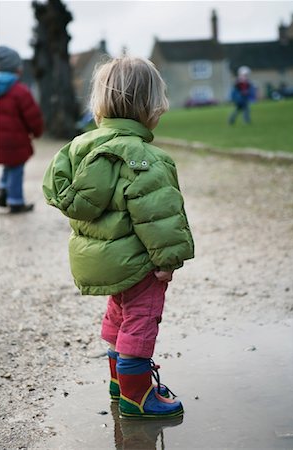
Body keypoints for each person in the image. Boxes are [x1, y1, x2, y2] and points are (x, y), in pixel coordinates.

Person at [42, 57, 194, 419]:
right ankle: (137, 396)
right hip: (137, 261)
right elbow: (156, 213)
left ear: (100, 104)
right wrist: (167, 260)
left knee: (120, 310)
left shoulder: (78, 148)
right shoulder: (145, 157)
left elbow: (60, 190)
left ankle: (117, 380)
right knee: (142, 318)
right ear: (152, 107)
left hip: (101, 259)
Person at [0, 46, 43, 213]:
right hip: (15, 139)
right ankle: (15, 201)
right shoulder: (20, 91)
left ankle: (3, 189)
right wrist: (37, 131)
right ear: (16, 68)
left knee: (9, 164)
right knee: (16, 167)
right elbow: (33, 116)